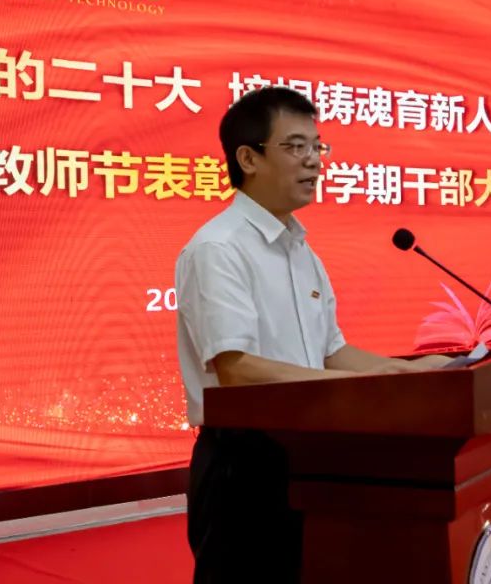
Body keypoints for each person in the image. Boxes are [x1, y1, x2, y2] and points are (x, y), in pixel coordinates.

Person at [175, 86, 448, 584]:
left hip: (313, 453)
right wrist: (361, 387)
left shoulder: (300, 249)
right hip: (245, 463)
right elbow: (237, 369)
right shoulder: (218, 248)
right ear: (248, 158)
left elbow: (330, 352)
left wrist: (406, 373)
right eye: (295, 146)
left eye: (317, 146)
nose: (313, 161)